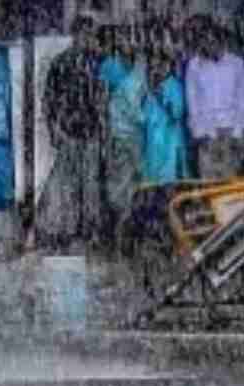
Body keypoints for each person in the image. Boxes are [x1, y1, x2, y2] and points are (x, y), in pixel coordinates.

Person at [37, 14, 104, 254]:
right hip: (69, 133)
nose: (88, 39)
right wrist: (54, 130)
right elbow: (48, 101)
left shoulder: (96, 62)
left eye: (91, 34)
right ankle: (69, 232)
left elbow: (101, 99)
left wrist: (102, 130)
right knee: (69, 186)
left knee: (91, 186)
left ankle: (90, 233)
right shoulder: (60, 63)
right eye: (85, 34)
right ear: (75, 35)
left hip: (91, 132)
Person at [184, 17, 244, 179]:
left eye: (211, 41)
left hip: (231, 132)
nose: (206, 46)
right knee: (208, 185)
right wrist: (200, 133)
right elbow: (192, 102)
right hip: (207, 133)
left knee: (228, 185)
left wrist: (238, 132)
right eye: (203, 42)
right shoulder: (194, 66)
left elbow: (242, 98)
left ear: (221, 41)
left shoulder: (236, 64)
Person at [99, 23, 146, 246]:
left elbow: (144, 99)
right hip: (118, 134)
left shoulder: (142, 67)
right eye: (124, 38)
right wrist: (105, 132)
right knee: (118, 189)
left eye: (132, 38)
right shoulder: (109, 66)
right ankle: (117, 238)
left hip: (141, 136)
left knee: (139, 186)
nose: (128, 43)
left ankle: (133, 238)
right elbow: (102, 100)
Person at [141, 23, 188, 184]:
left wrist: (161, 97)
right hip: (153, 143)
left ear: (167, 65)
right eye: (154, 65)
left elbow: (176, 114)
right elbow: (144, 116)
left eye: (161, 65)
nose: (157, 69)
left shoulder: (174, 85)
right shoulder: (149, 86)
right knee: (152, 182)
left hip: (169, 142)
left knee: (169, 181)